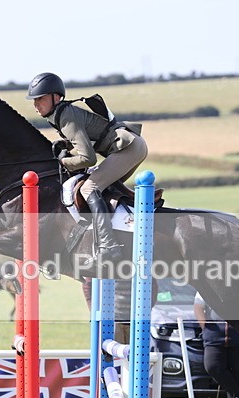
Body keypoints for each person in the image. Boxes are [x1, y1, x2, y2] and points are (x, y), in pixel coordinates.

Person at [26, 72, 149, 267]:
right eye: (34, 100)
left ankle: (109, 247)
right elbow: (86, 141)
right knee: (102, 190)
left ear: (56, 98)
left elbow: (87, 158)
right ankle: (122, 233)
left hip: (128, 149)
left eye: (40, 98)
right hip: (131, 146)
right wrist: (66, 146)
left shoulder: (65, 115)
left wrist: (63, 162)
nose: (36, 104)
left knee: (88, 188)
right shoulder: (60, 114)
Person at [194, 292, 239, 398]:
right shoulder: (207, 284)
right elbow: (198, 306)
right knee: (213, 367)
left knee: (237, 372)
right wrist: (205, 327)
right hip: (214, 336)